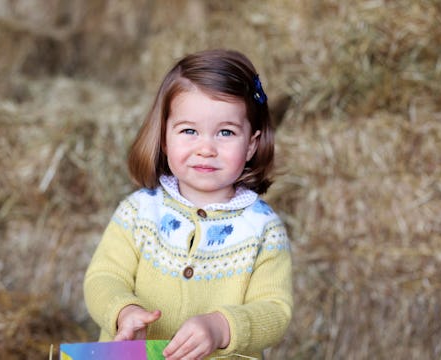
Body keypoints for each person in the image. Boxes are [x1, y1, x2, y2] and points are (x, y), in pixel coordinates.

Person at [84, 49, 293, 360]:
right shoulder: (139, 212)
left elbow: (275, 310)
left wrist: (221, 327)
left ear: (251, 144)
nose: (206, 148)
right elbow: (103, 277)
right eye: (189, 131)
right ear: (165, 138)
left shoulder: (263, 229)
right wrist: (123, 311)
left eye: (225, 132)